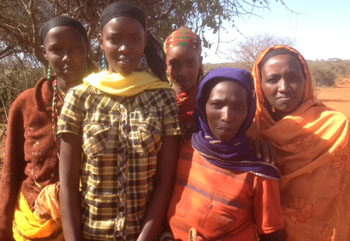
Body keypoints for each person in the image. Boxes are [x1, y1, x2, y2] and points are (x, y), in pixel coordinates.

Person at [57, 2, 182, 241]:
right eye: (115, 39)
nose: (125, 48)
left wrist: (144, 237)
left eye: (134, 39)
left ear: (144, 41)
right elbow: (68, 184)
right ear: (101, 41)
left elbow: (165, 181)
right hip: (90, 234)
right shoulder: (80, 97)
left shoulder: (163, 97)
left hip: (143, 234)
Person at [166, 68, 285, 241]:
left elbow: (271, 234)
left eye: (238, 107)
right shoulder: (185, 148)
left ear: (249, 111)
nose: (227, 117)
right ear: (203, 105)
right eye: (217, 104)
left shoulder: (259, 169)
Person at [0, 16, 88, 241]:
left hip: (88, 219)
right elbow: (11, 170)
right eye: (57, 49)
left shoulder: (101, 100)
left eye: (75, 48)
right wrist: (3, 226)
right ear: (44, 53)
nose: (67, 57)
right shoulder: (27, 103)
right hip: (32, 222)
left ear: (86, 49)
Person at [251, 45, 350, 240]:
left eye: (293, 78)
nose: (284, 87)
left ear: (306, 80)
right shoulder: (252, 131)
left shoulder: (337, 127)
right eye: (272, 79)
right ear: (259, 85)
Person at [164, 27, 203, 139]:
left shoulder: (208, 101)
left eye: (191, 64)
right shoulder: (158, 102)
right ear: (166, 65)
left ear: (200, 62)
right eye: (174, 64)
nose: (183, 73)